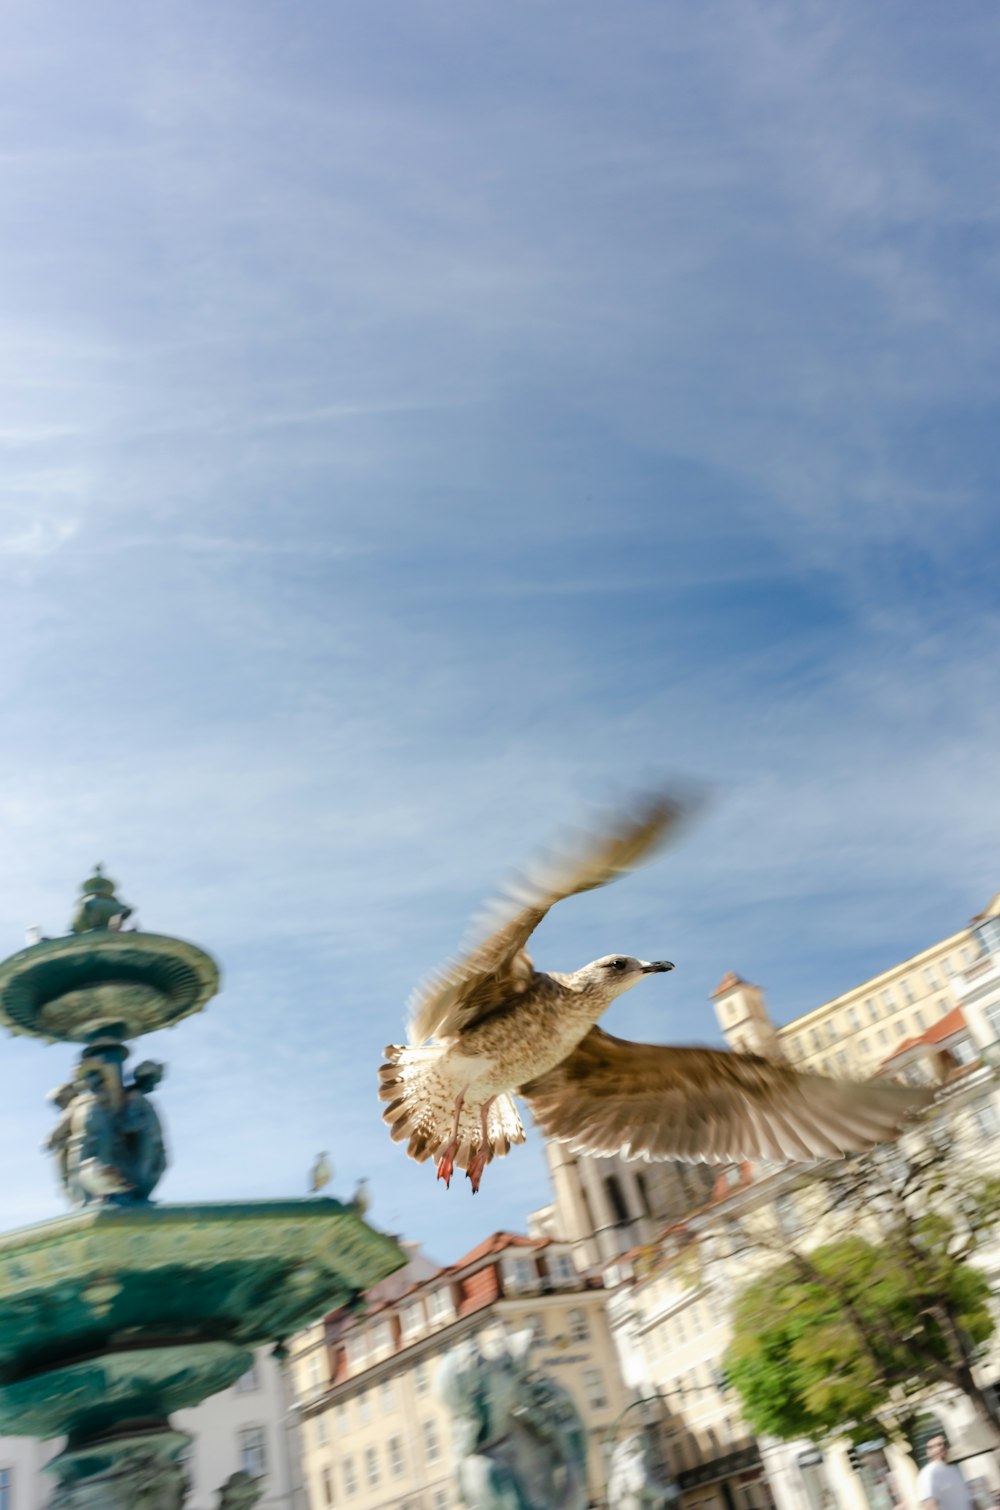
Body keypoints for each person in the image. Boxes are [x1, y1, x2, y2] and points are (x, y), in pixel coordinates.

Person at [917, 1436, 973, 1510]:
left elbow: (969, 1501)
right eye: (938, 1445)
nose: (942, 1447)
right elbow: (930, 1506)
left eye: (944, 1444)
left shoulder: (954, 1470)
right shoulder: (928, 1473)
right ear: (928, 1452)